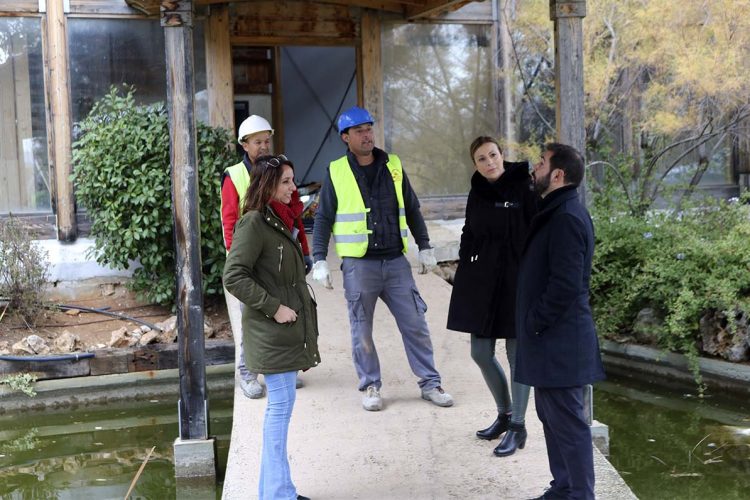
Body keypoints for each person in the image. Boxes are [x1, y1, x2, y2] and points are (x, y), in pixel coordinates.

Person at [311, 105, 453, 411]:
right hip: (359, 265)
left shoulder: (394, 165)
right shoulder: (336, 171)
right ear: (345, 137)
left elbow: (412, 208)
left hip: (396, 262)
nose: (367, 135)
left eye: (369, 128)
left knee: (415, 323)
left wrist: (424, 245)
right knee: (361, 328)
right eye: (360, 131)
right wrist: (319, 258)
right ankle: (371, 385)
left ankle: (430, 383)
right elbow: (323, 218)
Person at [223, 154, 320, 500]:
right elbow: (233, 276)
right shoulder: (253, 223)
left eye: (292, 180)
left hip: (285, 331)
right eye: (286, 182)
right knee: (279, 411)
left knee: (282, 408)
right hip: (271, 331)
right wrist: (274, 307)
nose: (293, 188)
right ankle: (279, 495)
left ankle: (276, 492)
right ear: (267, 186)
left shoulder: (279, 220)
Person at [515, 143, 605, 500]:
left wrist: (534, 321)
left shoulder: (566, 217)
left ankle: (581, 495)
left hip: (561, 341)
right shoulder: (554, 210)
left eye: (541, 163)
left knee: (569, 424)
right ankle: (563, 487)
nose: (534, 168)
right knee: (551, 418)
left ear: (557, 174)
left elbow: (566, 286)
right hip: (550, 340)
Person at [446, 136, 537, 457]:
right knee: (480, 352)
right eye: (482, 159)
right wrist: (465, 264)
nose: (490, 162)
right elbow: (469, 230)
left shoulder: (524, 186)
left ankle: (519, 427)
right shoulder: (478, 191)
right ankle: (505, 413)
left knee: (517, 356)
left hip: (518, 280)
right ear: (476, 165)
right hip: (483, 280)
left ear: (502, 155)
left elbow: (538, 232)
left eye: (493, 155)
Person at [221, 115, 310, 399]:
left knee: (289, 305)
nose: (263, 146)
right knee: (254, 313)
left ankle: (283, 367)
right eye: (257, 142)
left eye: (266, 140)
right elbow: (230, 220)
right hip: (251, 259)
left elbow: (294, 215)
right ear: (244, 145)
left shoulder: (278, 169)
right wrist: (244, 260)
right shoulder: (234, 175)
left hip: (283, 255)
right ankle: (248, 373)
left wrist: (304, 251)